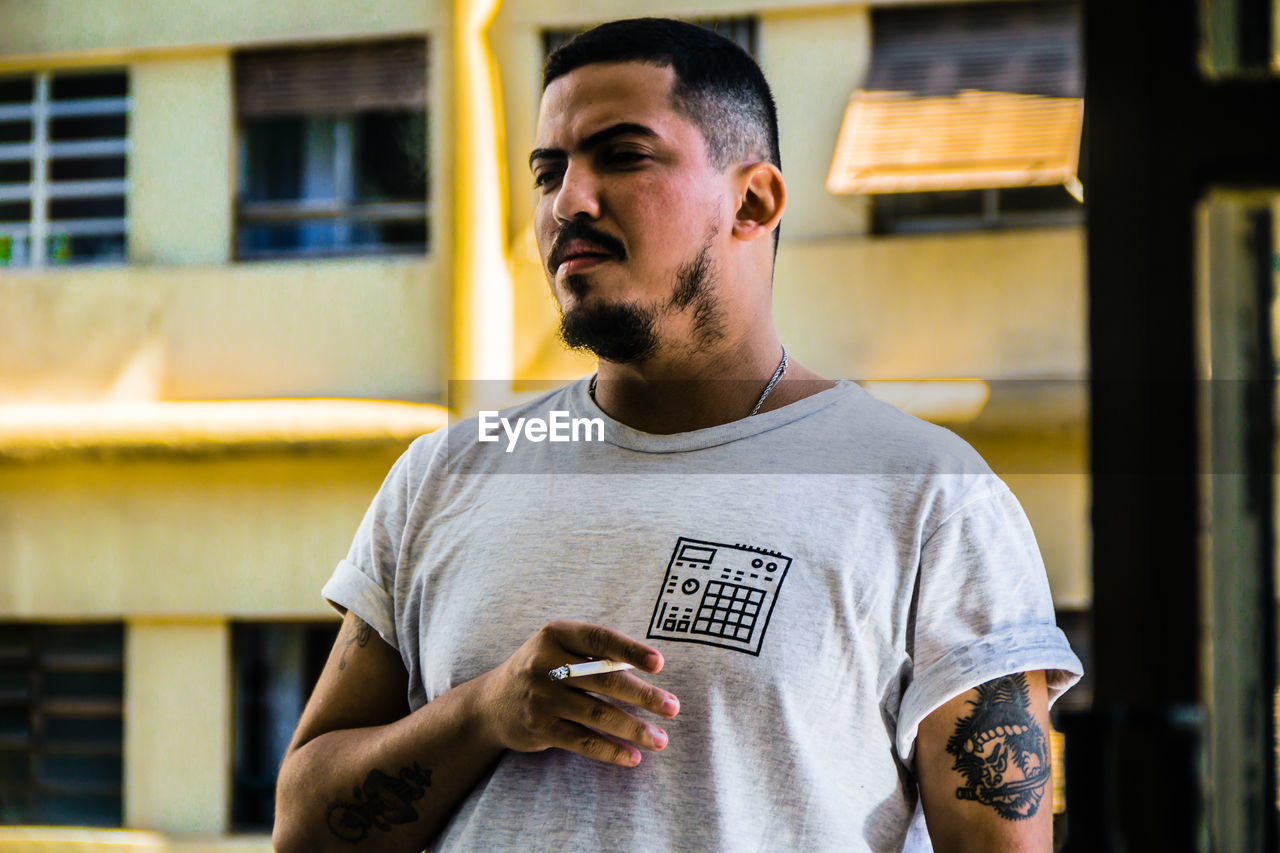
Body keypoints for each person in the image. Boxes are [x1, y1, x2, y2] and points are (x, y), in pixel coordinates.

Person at [273, 18, 1082, 853]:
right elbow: (303, 832)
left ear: (752, 200)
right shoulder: (443, 477)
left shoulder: (927, 495)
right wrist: (482, 709)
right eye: (549, 171)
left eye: (623, 156)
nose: (567, 203)